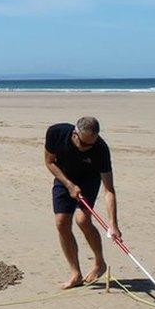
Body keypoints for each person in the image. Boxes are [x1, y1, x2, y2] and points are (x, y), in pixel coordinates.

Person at [44, 116, 120, 289]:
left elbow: (109, 190)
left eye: (91, 145)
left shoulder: (100, 149)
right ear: (75, 134)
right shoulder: (56, 133)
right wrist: (69, 185)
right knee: (62, 222)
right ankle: (75, 274)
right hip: (64, 177)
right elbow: (49, 162)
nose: (87, 148)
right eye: (84, 144)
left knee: (82, 220)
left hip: (89, 180)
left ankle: (99, 263)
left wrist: (113, 224)